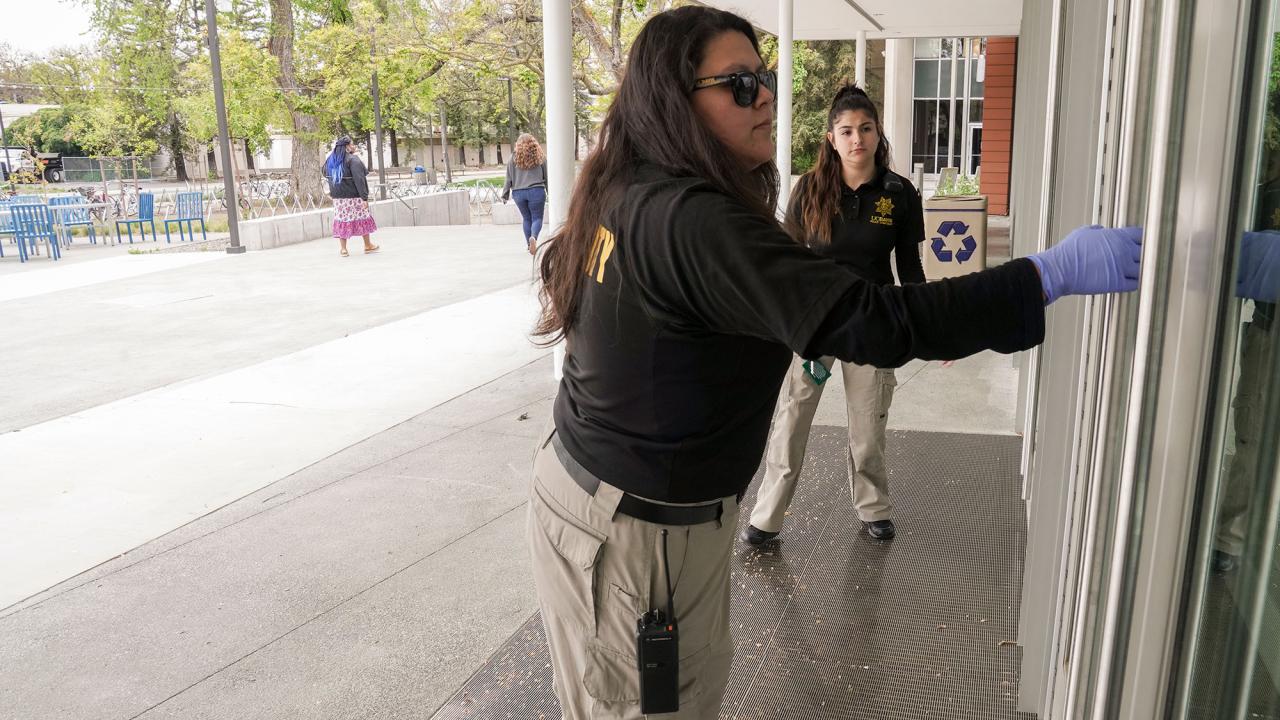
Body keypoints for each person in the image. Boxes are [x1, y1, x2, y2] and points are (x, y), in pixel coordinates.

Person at [526, 6, 1142, 718]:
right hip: (634, 539)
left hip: (605, 508)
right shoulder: (691, 218)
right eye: (739, 83)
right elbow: (876, 321)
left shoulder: (629, 185)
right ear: (674, 96)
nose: (764, 98)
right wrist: (1043, 277)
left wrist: (797, 332)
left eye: (764, 80)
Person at [743, 84, 924, 547]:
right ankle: (766, 517)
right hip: (816, 323)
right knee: (792, 420)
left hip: (872, 322)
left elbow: (910, 267)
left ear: (877, 133)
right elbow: (786, 259)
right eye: (846, 131)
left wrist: (927, 325)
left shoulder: (899, 194)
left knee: (867, 428)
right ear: (831, 138)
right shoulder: (810, 188)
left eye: (865, 128)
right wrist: (784, 323)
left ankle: (874, 509)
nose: (856, 139)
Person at [323, 136, 379, 257]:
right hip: (353, 196)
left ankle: (343, 249)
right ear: (347, 147)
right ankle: (367, 245)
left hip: (338, 198)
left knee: (342, 220)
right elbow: (359, 179)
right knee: (363, 218)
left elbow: (324, 172)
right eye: (352, 144)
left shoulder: (331, 160)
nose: (354, 146)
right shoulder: (353, 160)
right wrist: (364, 197)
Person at [501, 133, 549, 255]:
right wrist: (550, 192)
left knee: (527, 218)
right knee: (537, 218)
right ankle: (534, 237)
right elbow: (547, 176)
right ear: (534, 144)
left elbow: (508, 177)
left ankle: (529, 245)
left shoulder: (513, 158)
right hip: (536, 191)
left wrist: (505, 194)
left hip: (518, 193)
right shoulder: (540, 157)